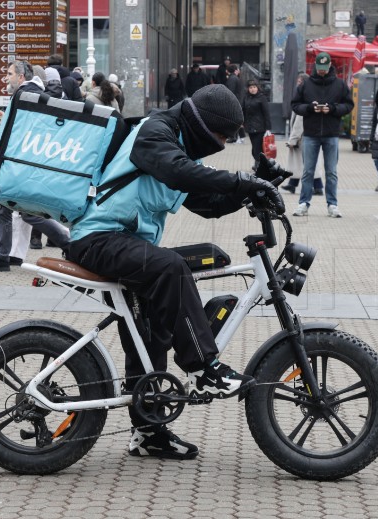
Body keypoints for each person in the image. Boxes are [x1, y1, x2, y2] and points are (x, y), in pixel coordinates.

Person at [65, 84, 285, 459]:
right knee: (172, 267)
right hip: (98, 240)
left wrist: (251, 187)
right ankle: (204, 368)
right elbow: (177, 170)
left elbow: (209, 202)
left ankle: (149, 434)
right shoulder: (156, 132)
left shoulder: (179, 145)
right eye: (220, 136)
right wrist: (239, 181)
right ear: (202, 125)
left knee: (151, 329)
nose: (220, 144)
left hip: (126, 244)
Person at [0, 61, 71, 272]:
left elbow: (17, 132)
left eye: (9, 74)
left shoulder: (24, 95)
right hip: (27, 163)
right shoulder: (34, 92)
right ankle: (9, 255)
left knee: (11, 208)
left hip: (18, 164)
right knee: (17, 209)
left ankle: (65, 242)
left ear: (21, 76)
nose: (5, 78)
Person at [290, 52, 353, 218]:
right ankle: (303, 203)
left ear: (330, 65)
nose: (322, 71)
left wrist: (332, 109)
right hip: (311, 133)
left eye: (325, 68)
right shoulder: (306, 84)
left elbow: (348, 105)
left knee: (331, 171)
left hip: (331, 133)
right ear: (315, 66)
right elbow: (295, 105)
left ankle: (332, 204)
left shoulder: (339, 84)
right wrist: (310, 108)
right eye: (320, 68)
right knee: (308, 171)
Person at [282, 73, 323, 196]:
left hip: (303, 138)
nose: (297, 84)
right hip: (312, 135)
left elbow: (299, 123)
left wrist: (293, 140)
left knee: (306, 163)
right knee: (305, 163)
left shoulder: (303, 100)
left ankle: (317, 187)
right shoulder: (311, 96)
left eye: (299, 81)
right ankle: (293, 184)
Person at [242, 80, 271, 167]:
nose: (253, 89)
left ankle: (258, 165)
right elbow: (243, 110)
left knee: (257, 148)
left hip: (260, 127)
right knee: (255, 147)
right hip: (250, 127)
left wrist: (268, 128)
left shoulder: (262, 98)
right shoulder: (246, 97)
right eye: (251, 87)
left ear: (257, 88)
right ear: (248, 89)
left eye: (254, 87)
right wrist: (242, 122)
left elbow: (266, 113)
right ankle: (260, 163)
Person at [225, 64, 245, 143]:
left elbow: (230, 91)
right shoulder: (235, 78)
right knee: (236, 120)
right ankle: (240, 136)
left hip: (234, 102)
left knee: (233, 120)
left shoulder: (232, 79)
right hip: (237, 101)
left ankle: (234, 137)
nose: (238, 71)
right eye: (237, 69)